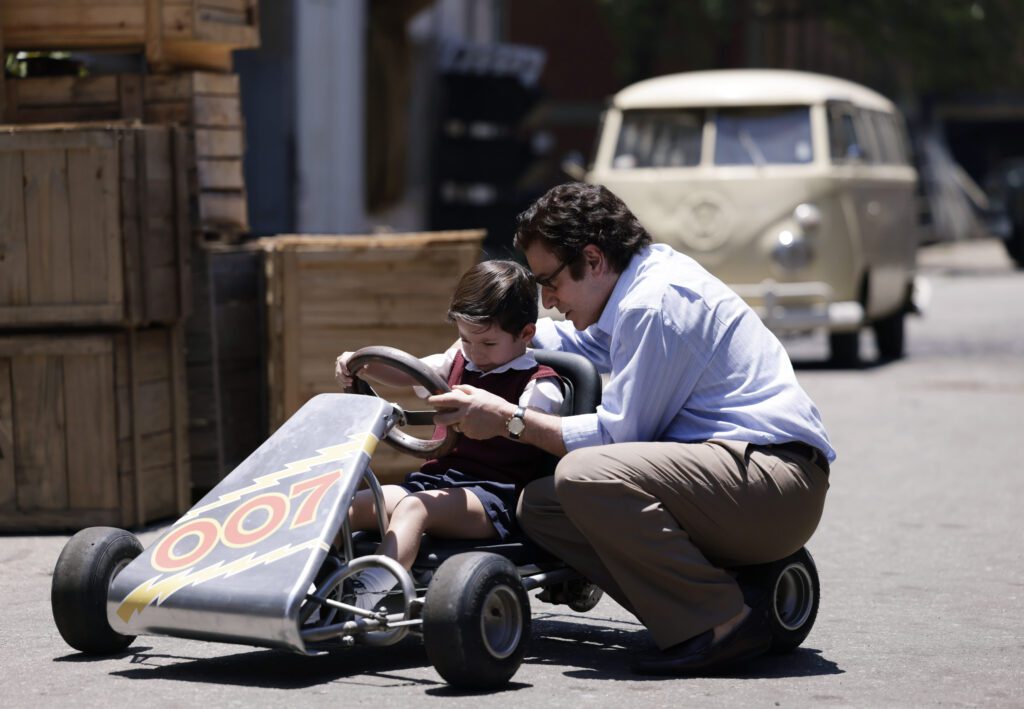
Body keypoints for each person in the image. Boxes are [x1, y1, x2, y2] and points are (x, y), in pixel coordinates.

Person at [428, 183, 834, 675]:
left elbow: (617, 440)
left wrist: (509, 420)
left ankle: (722, 621)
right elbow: (559, 340)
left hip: (773, 484)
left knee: (582, 475)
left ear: (593, 259)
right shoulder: (634, 289)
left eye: (549, 282)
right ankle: (705, 605)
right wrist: (474, 346)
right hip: (740, 480)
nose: (549, 301)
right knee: (540, 505)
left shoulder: (652, 302)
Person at [334, 259, 564, 609]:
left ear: (526, 334)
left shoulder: (540, 385)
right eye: (465, 339)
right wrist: (361, 364)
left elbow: (537, 429)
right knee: (350, 505)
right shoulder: (459, 359)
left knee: (414, 508)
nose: (473, 352)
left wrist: (500, 417)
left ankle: (369, 590)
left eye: (487, 343)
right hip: (436, 482)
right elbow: (411, 373)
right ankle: (312, 578)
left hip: (492, 497)